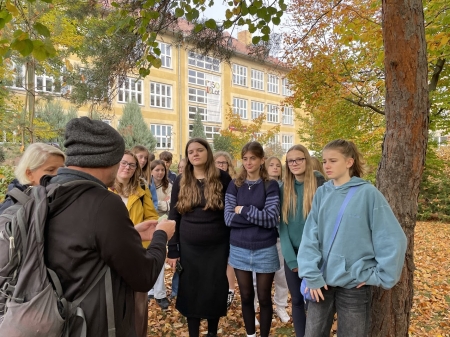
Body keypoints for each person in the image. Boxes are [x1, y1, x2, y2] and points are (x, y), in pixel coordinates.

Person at [43, 117, 175, 337]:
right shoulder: (103, 202)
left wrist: (130, 233)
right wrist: (161, 235)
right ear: (108, 160)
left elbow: (83, 246)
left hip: (55, 316)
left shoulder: (48, 191)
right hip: (95, 323)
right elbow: (143, 276)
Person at [298, 139, 407, 337]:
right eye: (324, 161)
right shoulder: (322, 193)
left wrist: (378, 275)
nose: (327, 166)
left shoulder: (368, 194)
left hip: (354, 285)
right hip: (320, 282)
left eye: (333, 160)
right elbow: (310, 236)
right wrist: (311, 275)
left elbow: (392, 238)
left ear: (349, 162)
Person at [167, 138, 231, 337]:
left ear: (208, 153)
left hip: (217, 248)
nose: (195, 154)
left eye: (199, 150)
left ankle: (212, 332)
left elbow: (229, 214)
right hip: (189, 248)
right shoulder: (181, 180)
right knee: (191, 292)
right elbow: (173, 216)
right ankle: (193, 332)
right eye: (191, 151)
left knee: (214, 290)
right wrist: (173, 248)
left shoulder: (223, 178)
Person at [224, 141, 280, 337]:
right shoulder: (235, 185)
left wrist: (244, 210)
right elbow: (229, 218)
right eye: (245, 158)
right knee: (246, 295)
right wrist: (256, 216)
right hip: (239, 247)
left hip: (265, 248)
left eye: (253, 158)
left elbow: (272, 218)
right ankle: (250, 335)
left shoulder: (270, 185)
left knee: (264, 297)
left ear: (262, 160)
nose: (248, 162)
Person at [110, 150, 160, 336]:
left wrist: (139, 230)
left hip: (137, 252)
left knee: (139, 304)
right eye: (123, 163)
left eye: (132, 165)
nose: (127, 167)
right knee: (114, 302)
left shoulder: (141, 188)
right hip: (112, 252)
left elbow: (152, 216)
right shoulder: (104, 188)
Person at [279, 145, 325, 336]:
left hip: (315, 256)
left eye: (299, 159)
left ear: (307, 160)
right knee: (297, 301)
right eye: (291, 161)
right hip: (292, 256)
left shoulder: (319, 184)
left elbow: (324, 225)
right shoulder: (284, 188)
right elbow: (282, 226)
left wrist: (310, 259)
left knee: (314, 302)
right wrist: (291, 259)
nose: (295, 163)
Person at [0, 143, 65, 214]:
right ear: (29, 174)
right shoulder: (11, 209)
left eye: (62, 169)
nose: (58, 174)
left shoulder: (55, 195)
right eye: (51, 170)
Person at [264, 156, 290, 324]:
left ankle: (280, 305)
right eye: (271, 165)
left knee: (282, 275)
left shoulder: (285, 187)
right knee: (259, 276)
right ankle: (255, 305)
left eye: (277, 165)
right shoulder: (260, 186)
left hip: (280, 236)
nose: (274, 168)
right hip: (263, 237)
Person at [148, 159, 173, 309]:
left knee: (159, 257)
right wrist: (162, 204)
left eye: (162, 170)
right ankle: (150, 290)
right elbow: (152, 206)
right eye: (157, 170)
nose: (160, 172)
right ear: (151, 171)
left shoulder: (169, 186)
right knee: (149, 256)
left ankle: (160, 293)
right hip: (148, 223)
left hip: (163, 224)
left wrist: (162, 204)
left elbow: (171, 205)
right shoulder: (147, 185)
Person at [214, 151, 237, 310]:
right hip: (214, 226)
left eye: (224, 163)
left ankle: (230, 290)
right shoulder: (209, 181)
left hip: (230, 224)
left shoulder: (233, 182)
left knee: (230, 259)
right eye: (218, 162)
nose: (221, 165)